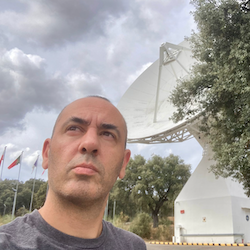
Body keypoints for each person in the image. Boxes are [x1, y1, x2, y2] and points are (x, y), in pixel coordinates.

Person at [0, 96, 147, 250]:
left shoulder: (133, 246)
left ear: (123, 163)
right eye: (74, 128)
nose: (90, 143)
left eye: (107, 134)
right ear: (46, 153)